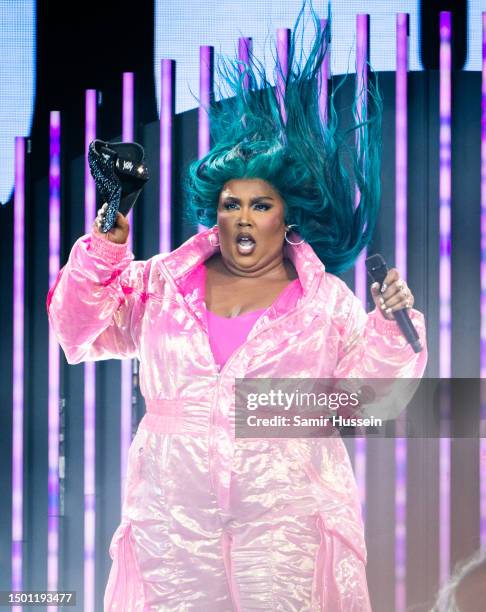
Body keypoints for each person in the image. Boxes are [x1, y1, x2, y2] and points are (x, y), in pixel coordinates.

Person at [47, 3, 427, 609]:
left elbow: (368, 400)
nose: (243, 217)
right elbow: (77, 330)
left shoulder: (324, 301)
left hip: (286, 531)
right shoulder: (160, 287)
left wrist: (388, 327)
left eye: (260, 205)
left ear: (287, 216)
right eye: (231, 204)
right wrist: (107, 247)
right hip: (175, 528)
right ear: (215, 213)